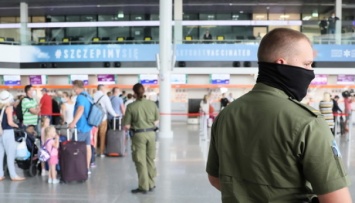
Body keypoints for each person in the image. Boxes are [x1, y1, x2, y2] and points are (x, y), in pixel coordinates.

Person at [206, 28, 352, 203]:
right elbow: (337, 200)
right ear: (282, 64)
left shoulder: (226, 115)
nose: (311, 72)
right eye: (306, 64)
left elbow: (215, 178)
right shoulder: (308, 122)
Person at [124, 83, 159, 194]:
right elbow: (156, 121)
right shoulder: (152, 104)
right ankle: (151, 183)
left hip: (138, 135)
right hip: (151, 134)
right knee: (150, 159)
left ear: (134, 93)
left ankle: (144, 186)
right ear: (144, 92)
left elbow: (127, 126)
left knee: (140, 161)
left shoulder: (131, 106)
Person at [68, 80, 93, 175]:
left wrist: (73, 122)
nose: (73, 90)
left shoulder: (80, 97)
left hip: (81, 127)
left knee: (75, 148)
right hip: (88, 126)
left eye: (74, 88)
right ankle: (86, 168)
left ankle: (77, 169)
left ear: (77, 88)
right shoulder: (88, 96)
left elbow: (81, 109)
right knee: (87, 147)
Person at [0, 90, 25, 181]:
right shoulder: (9, 108)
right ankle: (13, 175)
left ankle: (0, 174)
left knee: (0, 155)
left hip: (0, 133)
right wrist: (17, 125)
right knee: (10, 155)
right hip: (7, 132)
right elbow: (10, 122)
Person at [94, 85, 117, 158]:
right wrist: (115, 115)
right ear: (102, 89)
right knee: (102, 135)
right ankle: (101, 152)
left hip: (93, 119)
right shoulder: (104, 97)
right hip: (103, 118)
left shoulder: (92, 96)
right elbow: (109, 109)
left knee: (94, 135)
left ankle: (94, 151)